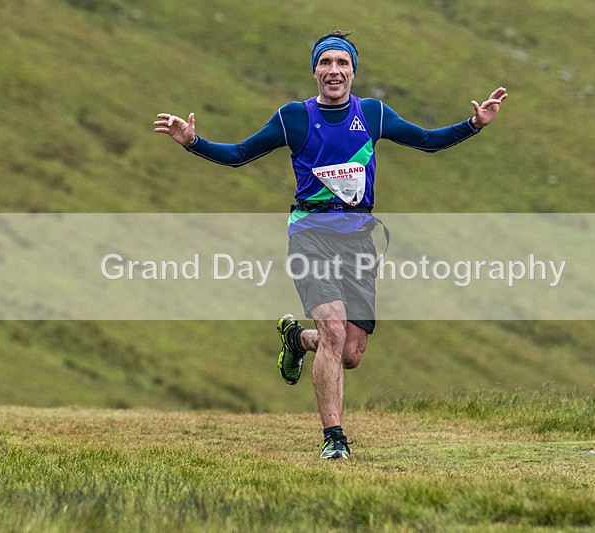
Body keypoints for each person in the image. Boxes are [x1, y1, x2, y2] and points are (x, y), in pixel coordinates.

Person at [154, 31, 507, 460]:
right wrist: (193, 142)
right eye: (326, 63)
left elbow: (428, 141)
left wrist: (475, 124)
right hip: (310, 236)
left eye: (343, 63)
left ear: (353, 72)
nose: (334, 71)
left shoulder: (373, 114)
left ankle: (297, 340)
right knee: (335, 332)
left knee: (350, 353)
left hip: (358, 240)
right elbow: (238, 154)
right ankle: (334, 438)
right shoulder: (293, 118)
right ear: (315, 71)